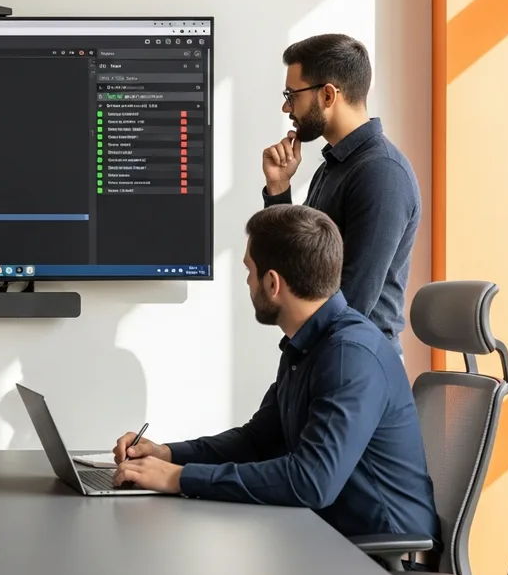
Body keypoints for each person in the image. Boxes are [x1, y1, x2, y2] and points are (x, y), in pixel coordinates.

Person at [110, 204, 438, 549]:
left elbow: (312, 482)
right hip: (327, 537)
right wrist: (167, 454)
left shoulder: (349, 356)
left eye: (249, 270)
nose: (248, 281)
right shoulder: (310, 344)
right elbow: (257, 440)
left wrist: (181, 479)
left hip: (381, 558)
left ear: (272, 282)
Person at [261, 34, 420, 355]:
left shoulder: (381, 173)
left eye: (292, 94)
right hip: (328, 353)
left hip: (358, 365)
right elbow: (298, 265)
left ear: (328, 95)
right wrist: (279, 190)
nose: (286, 106)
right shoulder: (335, 165)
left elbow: (355, 299)